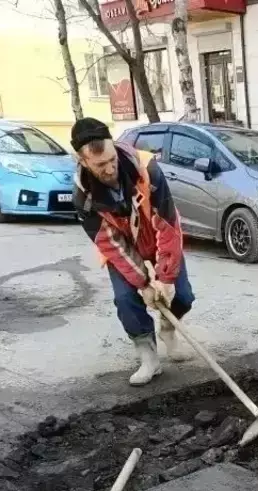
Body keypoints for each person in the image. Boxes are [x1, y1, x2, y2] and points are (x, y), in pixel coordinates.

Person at [71, 118, 195, 387]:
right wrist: (144, 283)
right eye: (100, 165)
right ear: (83, 161)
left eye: (111, 159)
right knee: (126, 300)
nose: (110, 168)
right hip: (122, 248)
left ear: (114, 147)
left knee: (182, 296)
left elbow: (168, 223)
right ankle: (148, 356)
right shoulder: (84, 199)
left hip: (157, 237)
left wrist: (163, 277)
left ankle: (168, 329)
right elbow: (110, 243)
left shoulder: (147, 169)